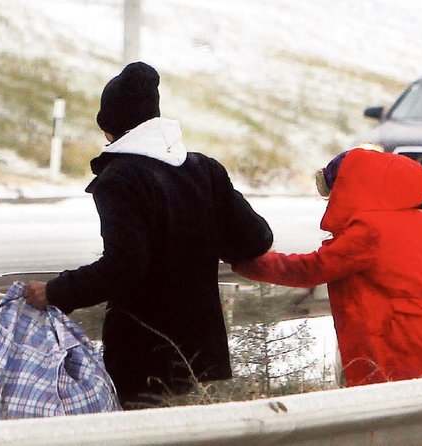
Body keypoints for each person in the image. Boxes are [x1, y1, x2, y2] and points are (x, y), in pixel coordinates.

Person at [23, 62, 274, 408]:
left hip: (141, 353)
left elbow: (125, 265)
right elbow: (256, 239)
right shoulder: (204, 169)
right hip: (200, 352)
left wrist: (55, 291)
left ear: (113, 127)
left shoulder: (120, 180)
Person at [232, 148, 422, 387]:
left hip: (395, 354)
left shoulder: (367, 232)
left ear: (350, 188)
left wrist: (245, 260)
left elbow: (309, 270)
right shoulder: (419, 223)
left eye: (331, 189)